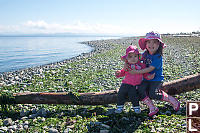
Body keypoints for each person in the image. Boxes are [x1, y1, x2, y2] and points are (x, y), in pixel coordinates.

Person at [128, 31, 180, 113]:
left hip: (156, 79)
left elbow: (150, 69)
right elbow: (137, 59)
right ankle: (152, 107)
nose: (151, 45)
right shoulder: (145, 54)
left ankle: (172, 100)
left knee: (153, 93)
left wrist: (137, 72)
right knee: (140, 90)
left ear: (159, 44)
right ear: (146, 44)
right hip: (145, 79)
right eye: (149, 42)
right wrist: (128, 59)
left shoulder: (158, 57)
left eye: (154, 42)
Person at [115, 45, 156, 115]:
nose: (133, 58)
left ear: (138, 57)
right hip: (126, 83)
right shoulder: (127, 65)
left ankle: (136, 106)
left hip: (135, 84)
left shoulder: (141, 65)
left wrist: (148, 76)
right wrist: (118, 73)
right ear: (127, 58)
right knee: (121, 93)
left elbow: (144, 73)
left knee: (133, 95)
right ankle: (119, 106)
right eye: (130, 57)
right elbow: (123, 72)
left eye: (135, 56)